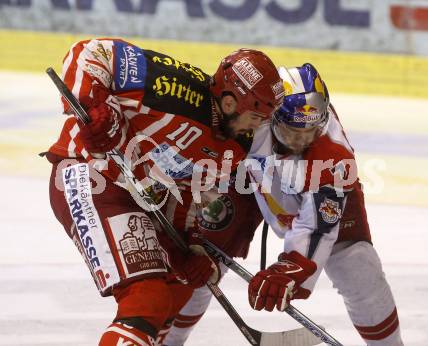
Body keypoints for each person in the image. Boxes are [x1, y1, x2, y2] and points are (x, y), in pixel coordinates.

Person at [45, 38, 283, 345]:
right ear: (229, 103)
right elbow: (91, 51)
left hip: (129, 195)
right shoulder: (171, 87)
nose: (258, 127)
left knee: (167, 296)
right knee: (147, 298)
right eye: (256, 116)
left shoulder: (235, 146)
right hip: (88, 173)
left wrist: (189, 248)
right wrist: (95, 106)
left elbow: (187, 194)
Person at [245, 63, 404, 345]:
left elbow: (317, 227)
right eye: (292, 131)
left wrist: (291, 270)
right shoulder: (253, 110)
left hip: (312, 187)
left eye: (310, 131)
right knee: (202, 252)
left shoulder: (333, 156)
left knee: (356, 265)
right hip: (243, 177)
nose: (301, 140)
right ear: (270, 116)